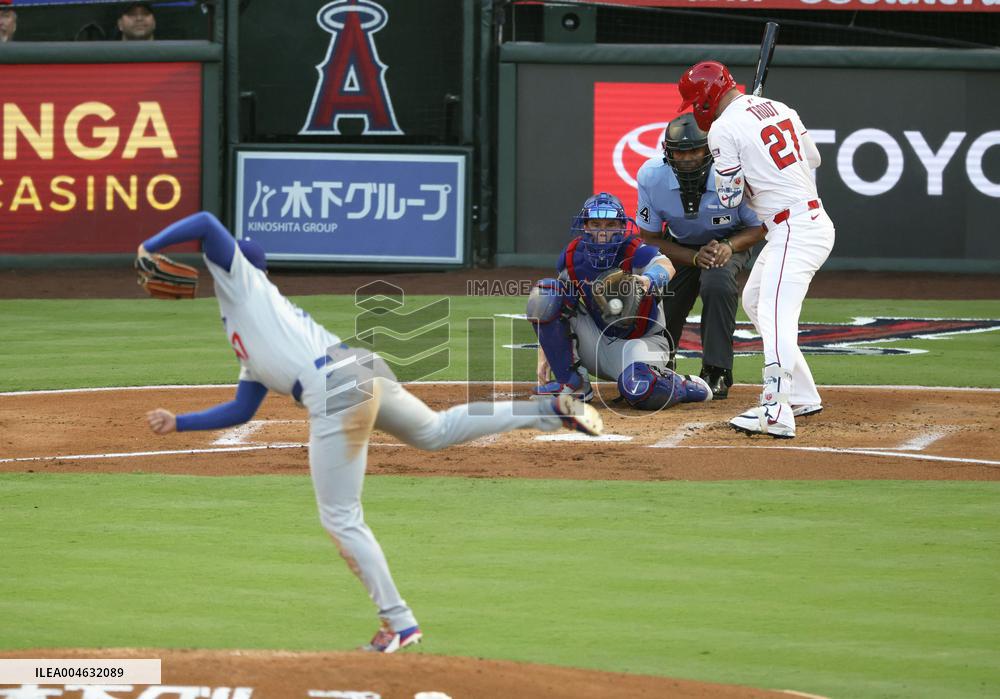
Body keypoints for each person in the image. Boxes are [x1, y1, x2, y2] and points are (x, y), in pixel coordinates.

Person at [139, 211, 603, 653]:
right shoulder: (251, 327)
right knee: (436, 432)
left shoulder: (243, 286)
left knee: (340, 516)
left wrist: (150, 245)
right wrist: (179, 422)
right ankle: (548, 410)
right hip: (359, 369)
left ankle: (398, 622)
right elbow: (242, 409)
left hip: (335, 390)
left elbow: (204, 224)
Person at [678, 61, 835, 438]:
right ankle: (800, 393)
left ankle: (776, 409)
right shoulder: (781, 108)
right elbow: (813, 158)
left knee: (776, 313)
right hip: (800, 224)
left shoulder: (723, 128)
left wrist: (738, 159)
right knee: (755, 298)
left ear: (705, 98)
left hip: (796, 227)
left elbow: (731, 199)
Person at [529, 192, 712, 411]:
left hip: (642, 343)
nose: (603, 231)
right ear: (585, 226)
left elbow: (666, 265)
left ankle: (683, 385)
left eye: (610, 224)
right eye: (595, 224)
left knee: (642, 392)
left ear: (621, 226)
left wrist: (646, 280)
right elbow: (555, 307)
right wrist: (546, 353)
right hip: (597, 339)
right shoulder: (572, 256)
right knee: (546, 293)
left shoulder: (634, 249)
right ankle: (573, 384)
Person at [635, 113, 764, 399]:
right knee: (658, 290)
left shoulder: (732, 174)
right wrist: (692, 258)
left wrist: (729, 246)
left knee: (717, 283)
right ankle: (659, 365)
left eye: (694, 149)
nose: (687, 158)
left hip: (728, 240)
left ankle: (716, 370)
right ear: (668, 153)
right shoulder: (650, 176)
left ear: (708, 149)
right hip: (679, 244)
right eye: (680, 152)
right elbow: (650, 237)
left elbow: (759, 226)